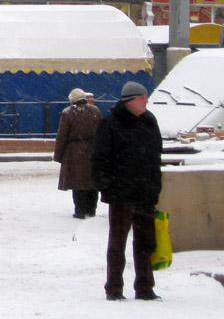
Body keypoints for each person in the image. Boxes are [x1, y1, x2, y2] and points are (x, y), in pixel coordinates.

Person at [91, 81, 163, 302]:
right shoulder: (111, 123)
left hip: (146, 192)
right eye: (142, 98)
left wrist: (155, 184)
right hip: (121, 193)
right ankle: (114, 288)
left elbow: (155, 156)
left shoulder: (150, 121)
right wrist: (107, 185)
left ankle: (145, 287)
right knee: (117, 243)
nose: (146, 101)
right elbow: (99, 158)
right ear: (129, 101)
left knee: (145, 242)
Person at [53, 87, 102, 219]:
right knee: (92, 181)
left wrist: (58, 155)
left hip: (74, 151)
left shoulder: (68, 113)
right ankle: (92, 210)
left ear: (72, 100)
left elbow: (62, 135)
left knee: (78, 182)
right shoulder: (95, 111)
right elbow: (101, 132)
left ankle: (80, 210)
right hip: (93, 149)